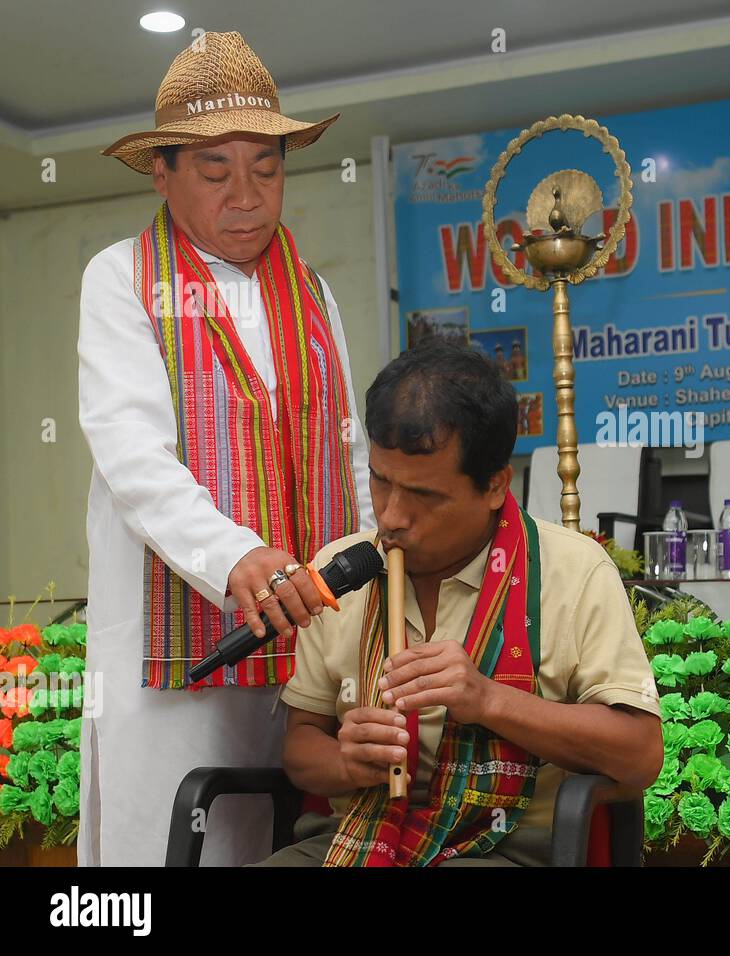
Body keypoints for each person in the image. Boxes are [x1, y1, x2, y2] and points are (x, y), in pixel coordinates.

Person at [77, 31, 372, 866]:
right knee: (173, 842)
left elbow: (348, 458)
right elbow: (132, 452)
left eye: (266, 168)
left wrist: (369, 575)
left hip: (305, 642)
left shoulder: (313, 292)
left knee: (288, 841)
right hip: (171, 652)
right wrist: (238, 558)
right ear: (162, 172)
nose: (245, 195)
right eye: (214, 170)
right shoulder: (123, 276)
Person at [254, 339, 662, 866]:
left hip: (505, 849)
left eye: (423, 496)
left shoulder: (573, 571)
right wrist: (347, 763)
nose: (392, 516)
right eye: (381, 482)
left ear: (495, 486)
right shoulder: (340, 570)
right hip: (356, 841)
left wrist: (489, 700)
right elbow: (301, 746)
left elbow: (640, 754)